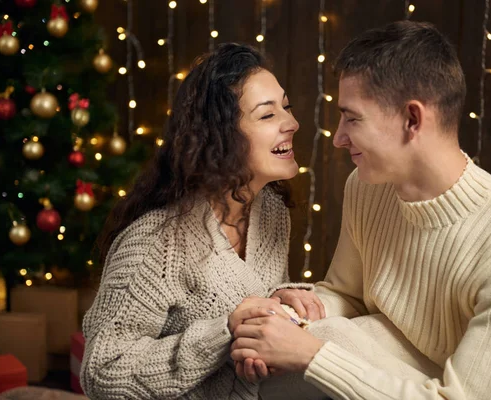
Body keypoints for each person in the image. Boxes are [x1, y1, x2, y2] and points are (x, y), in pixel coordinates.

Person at [231, 21, 491, 400]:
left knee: (316, 350)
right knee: (276, 355)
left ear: (412, 119)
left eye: (352, 118)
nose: (339, 138)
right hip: (391, 368)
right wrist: (294, 315)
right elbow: (348, 296)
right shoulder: (366, 186)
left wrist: (312, 355)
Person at [80, 43, 322, 399]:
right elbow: (101, 372)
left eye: (286, 107)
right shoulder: (156, 243)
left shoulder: (271, 209)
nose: (292, 123)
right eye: (268, 115)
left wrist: (276, 298)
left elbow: (243, 304)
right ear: (221, 135)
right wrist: (223, 333)